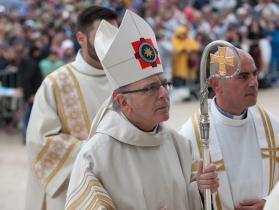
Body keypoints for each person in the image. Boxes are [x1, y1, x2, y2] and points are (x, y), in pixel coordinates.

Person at [66, 10, 218, 210]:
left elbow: (187, 198)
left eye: (165, 84)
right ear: (123, 102)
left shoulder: (178, 143)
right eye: (151, 88)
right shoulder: (95, 156)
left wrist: (200, 189)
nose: (164, 94)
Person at [24, 6, 118, 210]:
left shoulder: (126, 80)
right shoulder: (56, 83)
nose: (110, 43)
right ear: (81, 38)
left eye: (114, 35)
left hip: (119, 184)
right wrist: (96, 152)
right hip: (73, 191)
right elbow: (40, 141)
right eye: (102, 35)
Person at [179, 46, 279, 210]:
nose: (253, 82)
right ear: (216, 84)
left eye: (255, 74)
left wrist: (271, 203)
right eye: (243, 76)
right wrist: (199, 190)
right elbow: (179, 197)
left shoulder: (272, 127)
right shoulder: (190, 137)